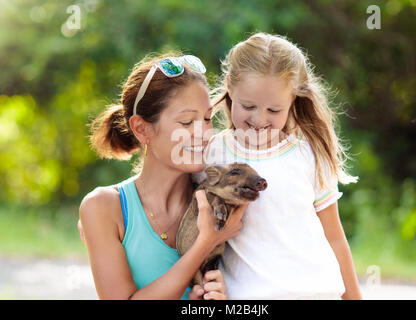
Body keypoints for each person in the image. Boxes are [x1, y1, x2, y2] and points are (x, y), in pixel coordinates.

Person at [195, 33, 362, 299]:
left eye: (274, 111)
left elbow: (334, 238)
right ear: (229, 87)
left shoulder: (308, 154)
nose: (259, 119)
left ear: (293, 100)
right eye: (248, 106)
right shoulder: (211, 155)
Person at [78, 53, 247, 300]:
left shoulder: (218, 204)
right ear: (141, 129)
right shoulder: (103, 207)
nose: (204, 133)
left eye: (207, 118)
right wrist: (205, 243)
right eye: (187, 121)